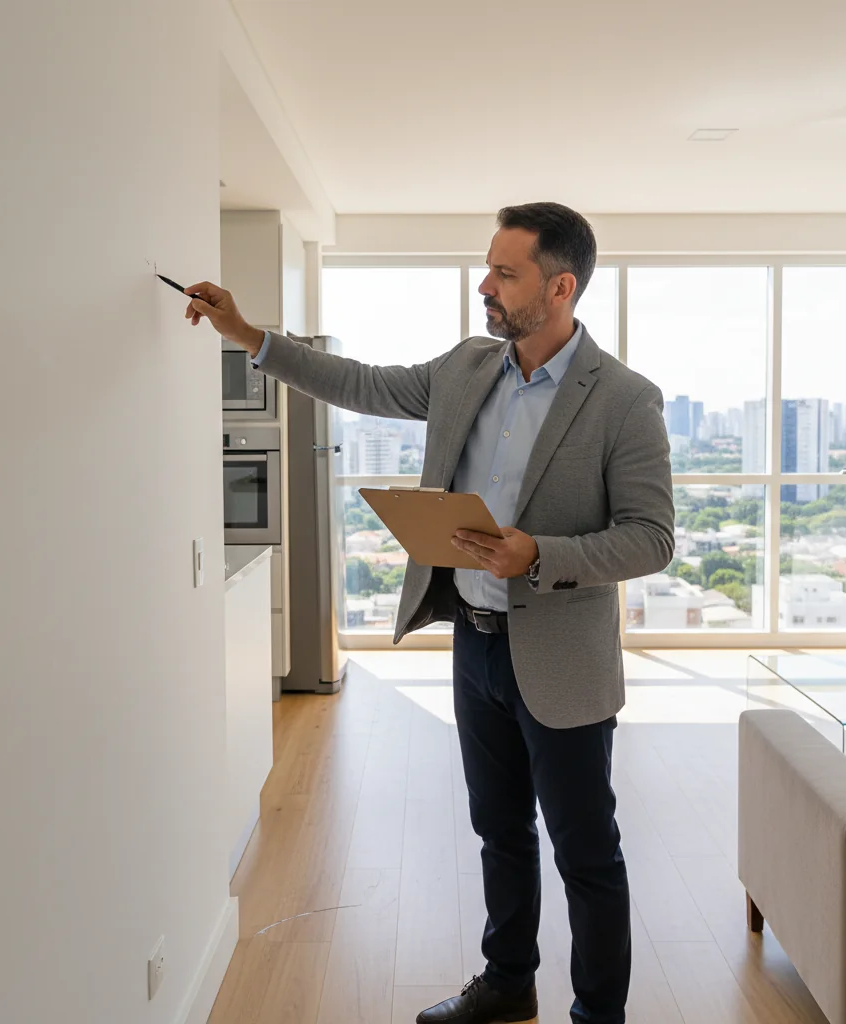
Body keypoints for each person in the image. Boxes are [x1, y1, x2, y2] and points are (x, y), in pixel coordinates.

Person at [185, 202, 674, 1024]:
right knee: (500, 832)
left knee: (586, 854)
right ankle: (509, 981)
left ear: (559, 287)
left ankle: (598, 1016)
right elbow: (363, 384)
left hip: (562, 660)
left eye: (505, 273)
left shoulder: (624, 399)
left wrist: (541, 554)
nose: (485, 286)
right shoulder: (468, 367)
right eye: (487, 267)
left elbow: (651, 538)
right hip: (476, 647)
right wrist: (249, 336)